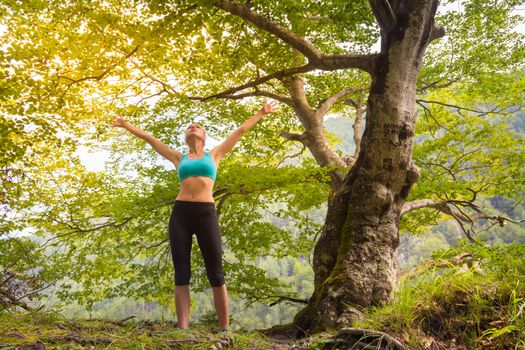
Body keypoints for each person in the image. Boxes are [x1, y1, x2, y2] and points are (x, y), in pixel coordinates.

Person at [111, 101, 277, 331]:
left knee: (215, 272)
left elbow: (240, 131)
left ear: (204, 136)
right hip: (180, 215)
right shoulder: (179, 158)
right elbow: (151, 140)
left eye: (197, 126)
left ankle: (225, 329)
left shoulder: (215, 154)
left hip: (206, 214)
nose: (192, 127)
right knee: (182, 271)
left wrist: (261, 112)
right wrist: (126, 125)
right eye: (189, 126)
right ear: (185, 136)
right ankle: (183, 328)